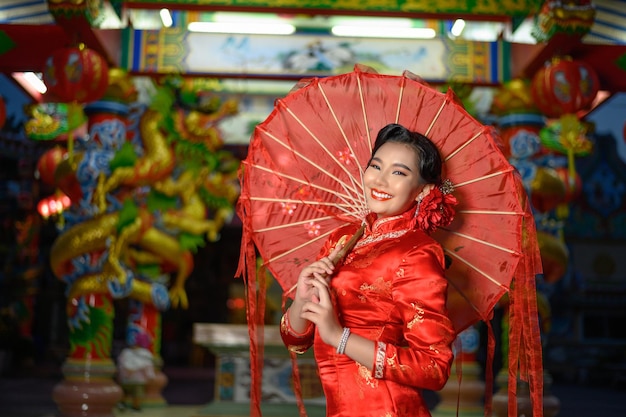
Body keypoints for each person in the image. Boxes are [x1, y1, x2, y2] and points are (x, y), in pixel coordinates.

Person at [280, 123, 458, 417]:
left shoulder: (417, 252)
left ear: (423, 190)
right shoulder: (342, 239)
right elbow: (296, 341)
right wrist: (303, 296)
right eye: (376, 166)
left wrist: (339, 336)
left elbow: (434, 367)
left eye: (399, 173)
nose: (381, 180)